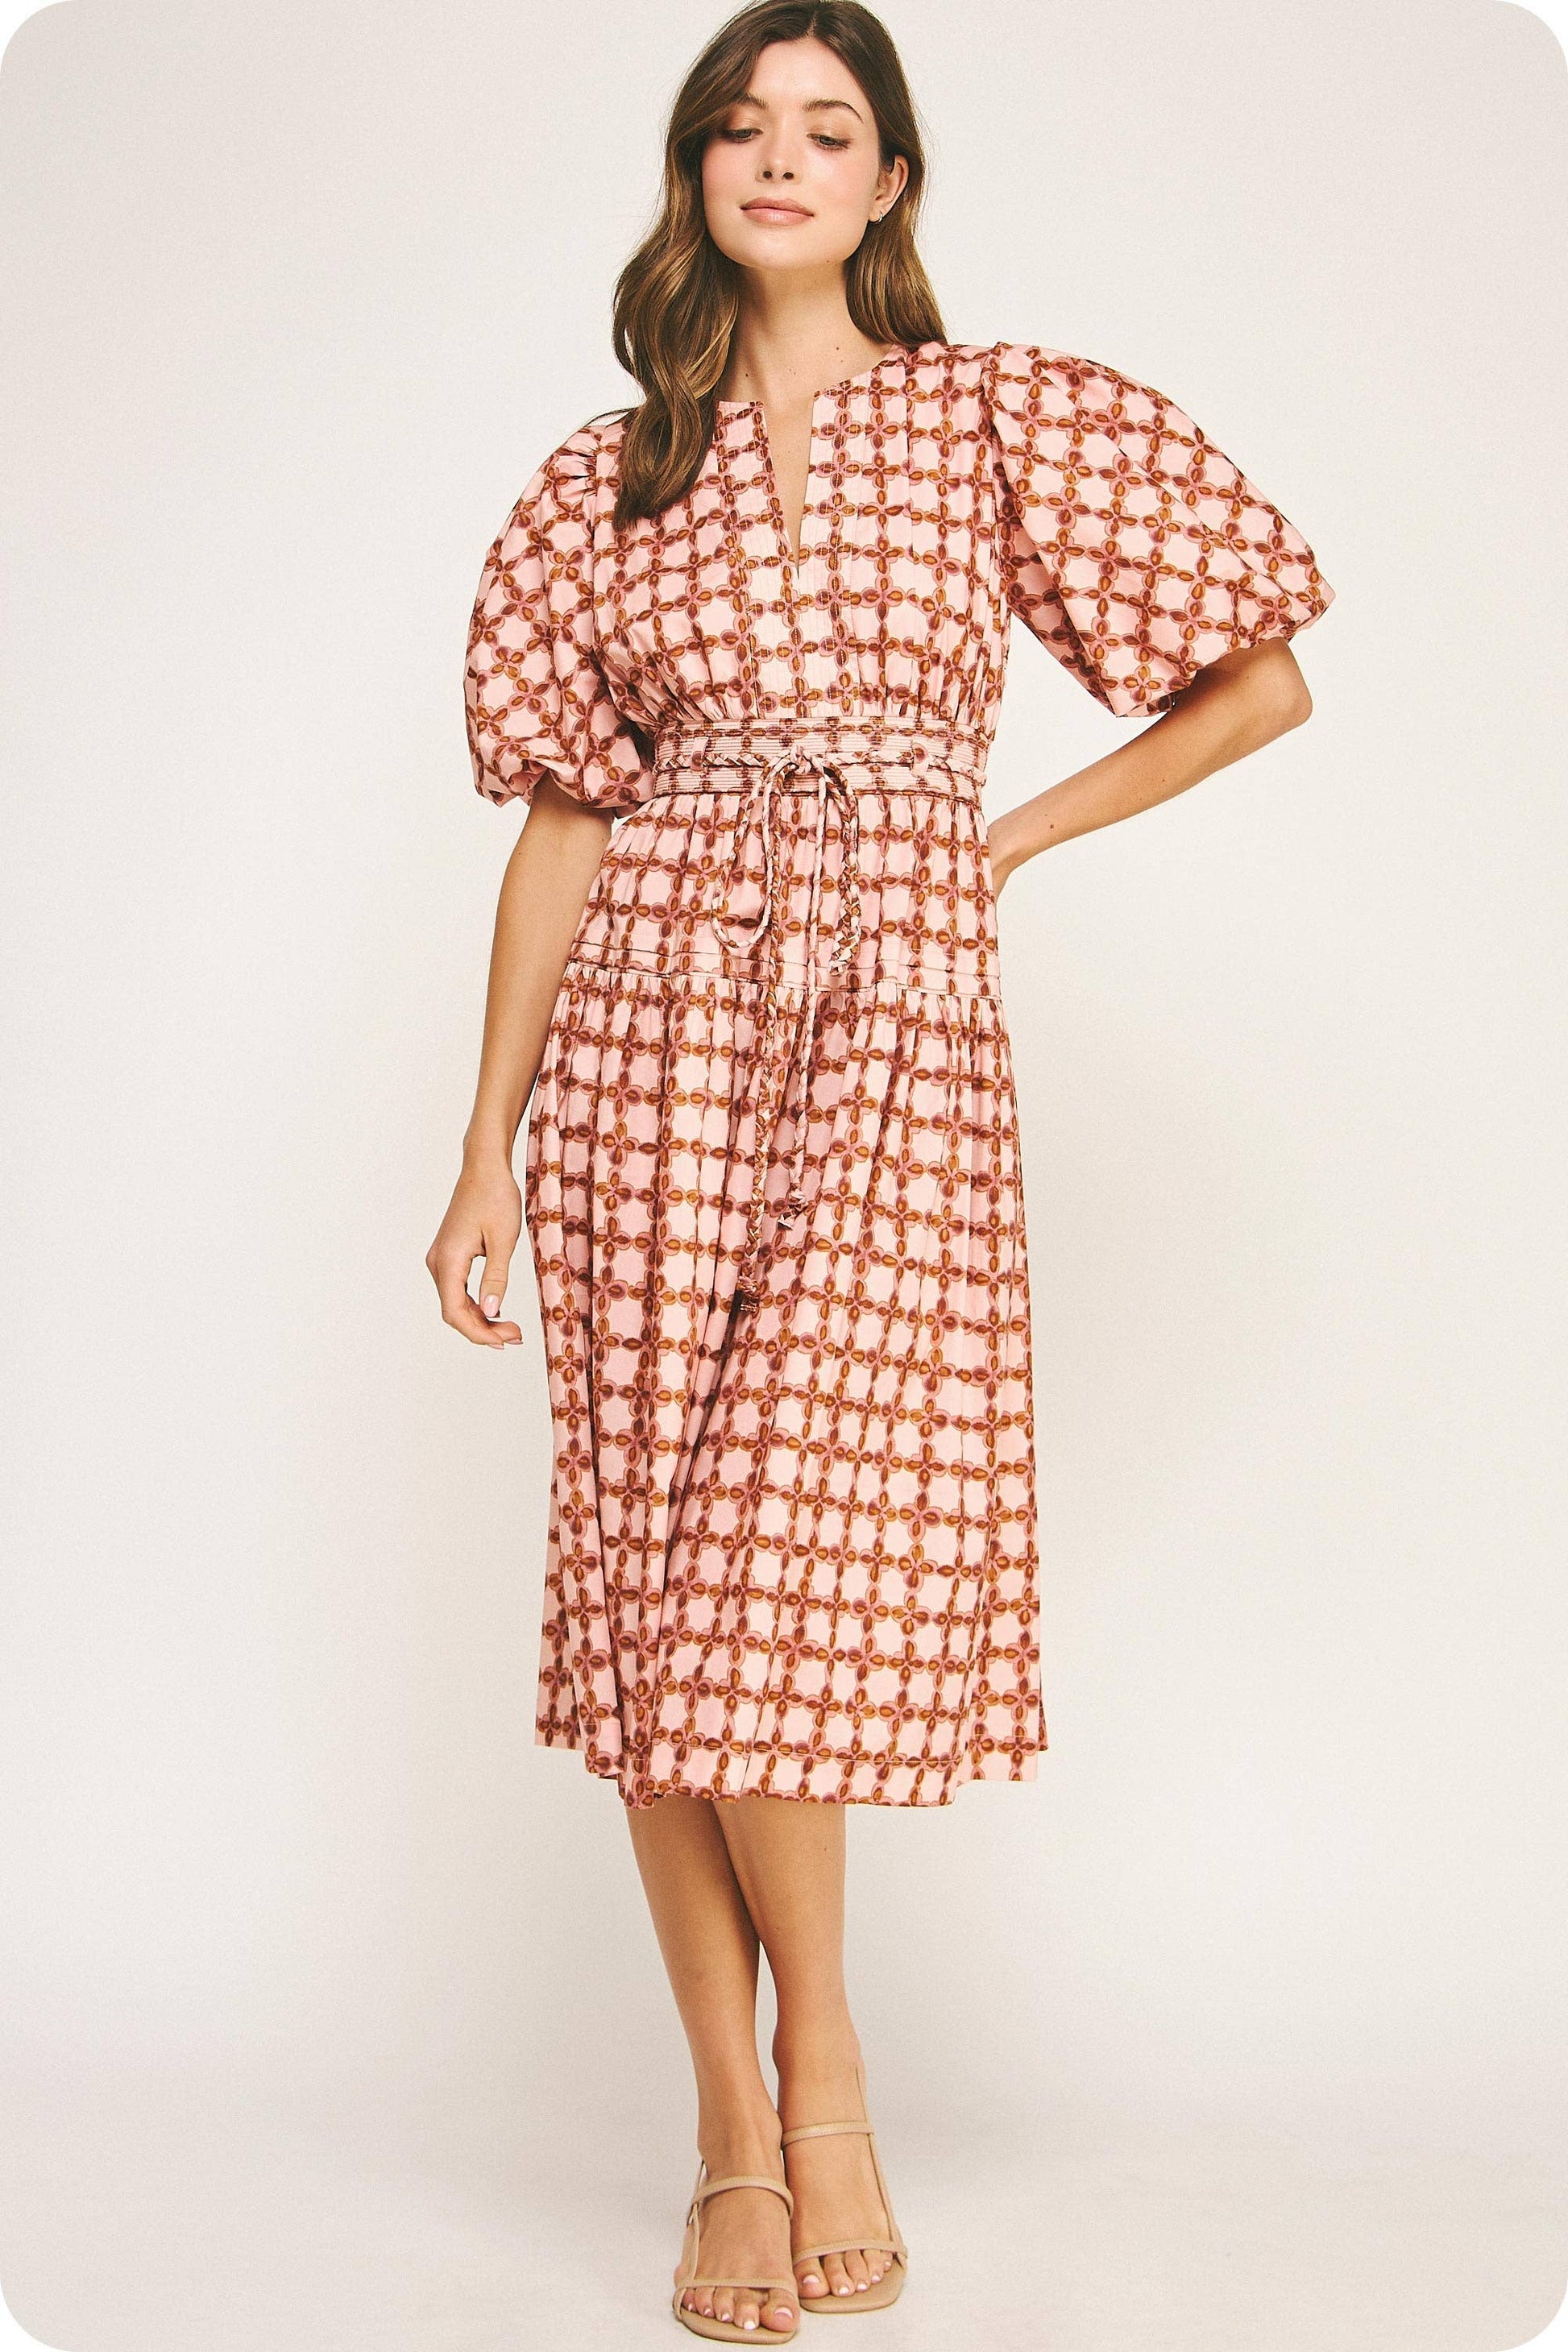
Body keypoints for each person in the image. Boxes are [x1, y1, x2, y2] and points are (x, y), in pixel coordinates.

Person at [428, 1, 1334, 2337]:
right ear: (689, 171)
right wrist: (484, 1148)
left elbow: (1257, 680)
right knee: (653, 1591)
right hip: (646, 1036)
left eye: (828, 126)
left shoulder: (999, 415)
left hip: (895, 1039)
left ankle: (818, 2067)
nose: (779, 157)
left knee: (766, 1569)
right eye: (739, 123)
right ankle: (741, 2133)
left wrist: (997, 840)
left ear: (892, 182)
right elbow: (559, 827)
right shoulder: (599, 475)